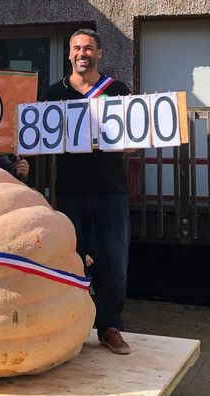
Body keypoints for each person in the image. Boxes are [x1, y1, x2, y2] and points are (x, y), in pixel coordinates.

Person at [44, 28, 132, 354]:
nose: (83, 53)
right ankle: (70, 328)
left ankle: (109, 327)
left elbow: (132, 135)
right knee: (70, 262)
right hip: (70, 191)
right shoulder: (54, 93)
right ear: (69, 54)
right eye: (77, 48)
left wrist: (132, 144)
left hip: (112, 191)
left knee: (115, 263)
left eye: (89, 48)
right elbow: (40, 135)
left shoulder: (119, 90)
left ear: (99, 54)